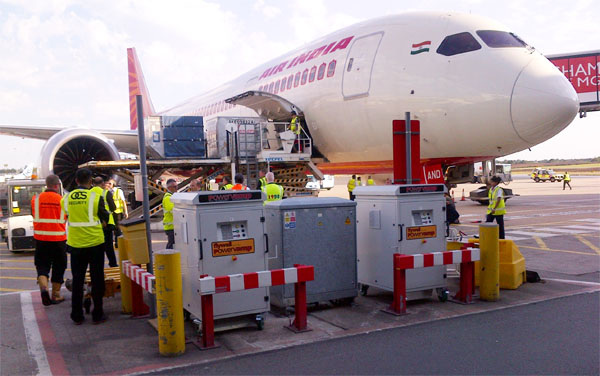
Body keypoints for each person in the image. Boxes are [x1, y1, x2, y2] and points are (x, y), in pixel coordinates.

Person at [61, 168, 111, 325]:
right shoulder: (95, 197)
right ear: (90, 181)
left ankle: (77, 314)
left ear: (76, 181)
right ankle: (98, 313)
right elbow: (106, 216)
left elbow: (68, 216)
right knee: (97, 279)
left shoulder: (66, 199)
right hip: (95, 243)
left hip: (75, 245)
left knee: (78, 280)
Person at [31, 174, 67, 306]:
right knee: (59, 265)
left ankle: (44, 288)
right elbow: (66, 218)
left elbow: (34, 214)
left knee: (42, 265)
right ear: (57, 186)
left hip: (41, 239)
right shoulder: (62, 200)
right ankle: (56, 294)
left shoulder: (36, 199)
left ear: (46, 185)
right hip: (58, 239)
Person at [91, 177, 118, 267]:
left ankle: (97, 265)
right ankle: (113, 264)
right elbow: (113, 207)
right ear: (102, 184)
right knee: (109, 246)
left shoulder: (89, 193)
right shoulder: (106, 193)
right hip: (107, 223)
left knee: (97, 247)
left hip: (94, 222)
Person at [107, 179, 128, 248]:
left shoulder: (119, 191)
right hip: (110, 213)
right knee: (111, 228)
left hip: (118, 212)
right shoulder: (106, 192)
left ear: (113, 184)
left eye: (110, 183)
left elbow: (123, 202)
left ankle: (118, 243)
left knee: (117, 229)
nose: (108, 185)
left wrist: (126, 211)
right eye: (108, 183)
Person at [163, 179, 177, 249]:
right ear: (169, 188)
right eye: (174, 187)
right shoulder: (168, 198)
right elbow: (173, 211)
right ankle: (168, 258)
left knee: (172, 244)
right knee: (171, 245)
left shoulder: (172, 196)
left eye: (177, 186)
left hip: (172, 226)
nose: (176, 188)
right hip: (170, 227)